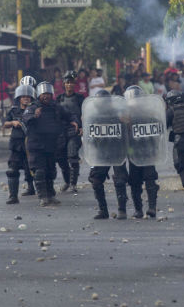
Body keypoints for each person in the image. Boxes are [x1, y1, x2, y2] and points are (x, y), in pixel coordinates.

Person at [22, 82, 78, 206]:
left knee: (50, 171)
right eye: (43, 94)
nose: (46, 96)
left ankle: (51, 195)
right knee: (40, 172)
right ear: (39, 95)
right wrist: (34, 116)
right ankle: (43, 197)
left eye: (48, 94)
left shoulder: (56, 106)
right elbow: (25, 118)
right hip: (36, 145)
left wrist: (74, 121)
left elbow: (69, 115)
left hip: (51, 144)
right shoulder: (32, 107)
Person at [85, 89, 130, 219]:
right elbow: (90, 139)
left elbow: (126, 134)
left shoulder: (118, 115)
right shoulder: (93, 117)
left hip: (116, 152)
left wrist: (125, 122)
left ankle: (122, 210)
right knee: (96, 180)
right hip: (101, 153)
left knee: (120, 181)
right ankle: (103, 210)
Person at [122, 85, 161, 218]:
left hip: (147, 152)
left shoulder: (148, 114)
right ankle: (138, 209)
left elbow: (158, 128)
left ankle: (151, 207)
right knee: (135, 181)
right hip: (134, 154)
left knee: (150, 179)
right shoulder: (126, 116)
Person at [3, 84, 35, 203]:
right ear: (19, 98)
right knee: (12, 170)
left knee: (33, 169)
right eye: (23, 97)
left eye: (28, 97)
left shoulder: (35, 111)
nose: (26, 98)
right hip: (17, 144)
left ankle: (36, 190)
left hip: (31, 145)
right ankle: (13, 196)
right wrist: (13, 122)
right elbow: (5, 124)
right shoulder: (13, 110)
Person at [55, 71, 85, 193]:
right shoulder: (59, 98)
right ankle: (67, 181)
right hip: (61, 132)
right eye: (67, 82)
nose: (69, 85)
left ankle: (73, 184)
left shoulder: (80, 98)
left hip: (75, 131)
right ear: (64, 84)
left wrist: (83, 127)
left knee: (72, 156)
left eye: (72, 82)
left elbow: (85, 114)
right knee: (61, 158)